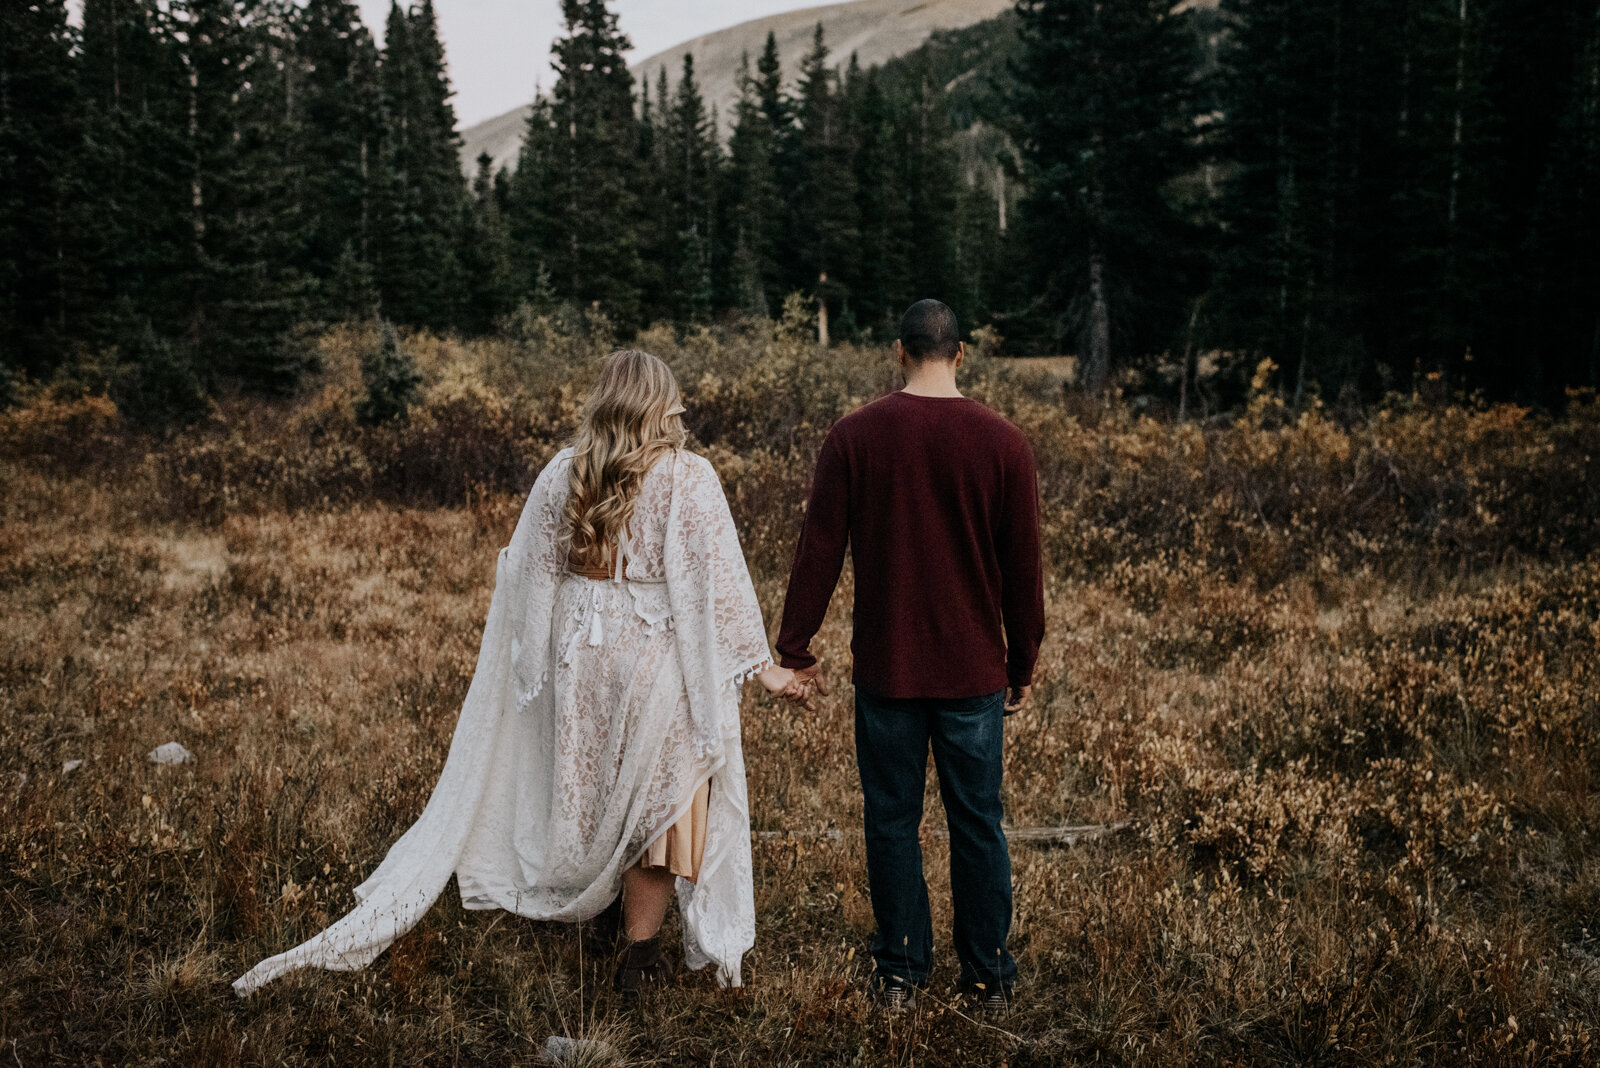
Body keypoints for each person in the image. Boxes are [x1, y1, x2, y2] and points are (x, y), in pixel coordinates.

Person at [234, 349, 802, 998]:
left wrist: (533, 659)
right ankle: (639, 952)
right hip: (653, 654)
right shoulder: (688, 477)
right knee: (664, 799)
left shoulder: (564, 472)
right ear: (661, 403)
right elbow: (719, 583)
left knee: (591, 788)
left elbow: (527, 570)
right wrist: (763, 669)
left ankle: (600, 907)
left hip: (578, 656)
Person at [776, 298, 1045, 1014]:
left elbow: (818, 553)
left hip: (889, 671)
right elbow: (1025, 573)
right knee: (977, 823)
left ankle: (900, 974)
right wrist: (1022, 665)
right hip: (973, 675)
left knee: (892, 821)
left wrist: (795, 647)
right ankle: (987, 977)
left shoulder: (856, 436)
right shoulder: (1003, 443)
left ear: (900, 351)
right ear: (960, 354)